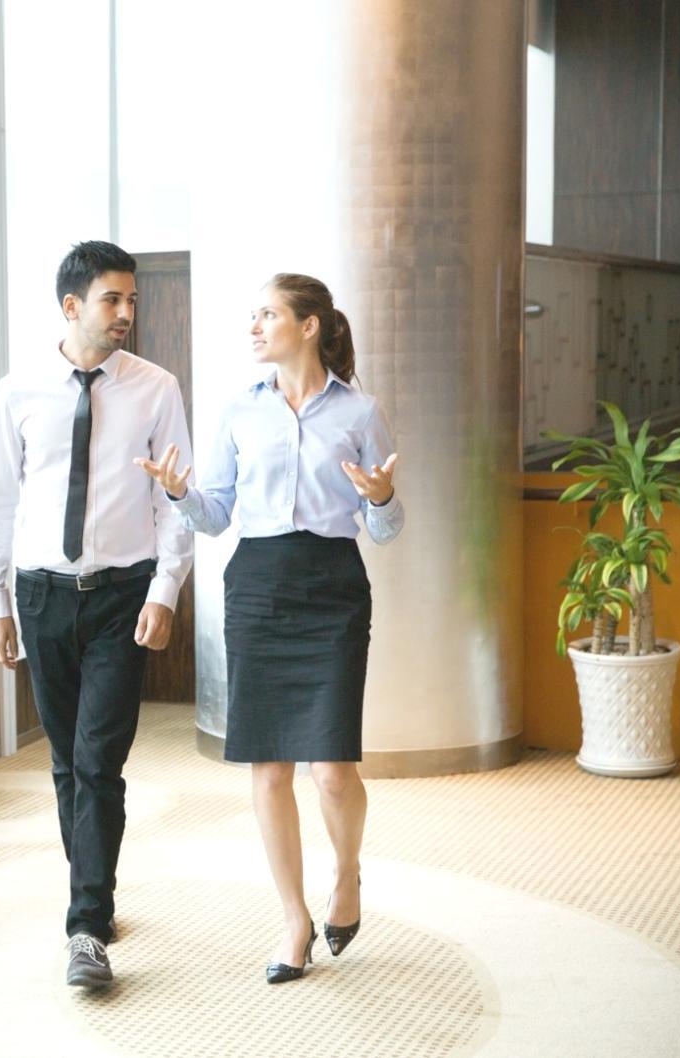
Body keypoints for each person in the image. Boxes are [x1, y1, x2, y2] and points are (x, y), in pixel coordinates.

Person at [136, 272, 402, 984]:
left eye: (268, 315)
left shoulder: (360, 412)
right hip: (257, 588)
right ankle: (293, 918)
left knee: (334, 772)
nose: (254, 328)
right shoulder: (238, 412)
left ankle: (346, 877)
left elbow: (384, 528)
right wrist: (180, 493)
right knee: (269, 766)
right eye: (253, 316)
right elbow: (217, 515)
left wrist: (382, 498)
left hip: (332, 589)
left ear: (309, 325)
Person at [0, 240, 194, 989]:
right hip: (39, 596)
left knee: (100, 762)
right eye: (113, 299)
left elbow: (178, 503)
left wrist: (166, 591)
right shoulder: (19, 392)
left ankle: (85, 926)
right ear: (72, 306)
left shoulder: (156, 389)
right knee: (68, 762)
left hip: (121, 597)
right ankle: (93, 898)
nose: (128, 313)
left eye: (133, 300)